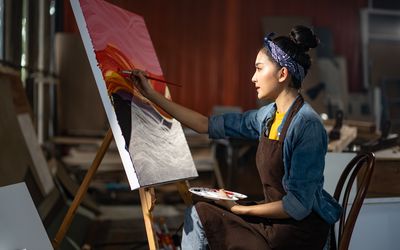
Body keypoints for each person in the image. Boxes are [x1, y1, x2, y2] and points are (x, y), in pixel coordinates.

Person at [129, 25, 342, 250]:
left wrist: (241, 209)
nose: (253, 78)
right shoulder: (267, 116)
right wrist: (151, 95)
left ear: (282, 74)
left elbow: (298, 206)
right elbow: (205, 124)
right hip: (276, 222)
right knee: (201, 211)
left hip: (299, 233)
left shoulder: (307, 125)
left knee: (203, 215)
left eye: (259, 69)